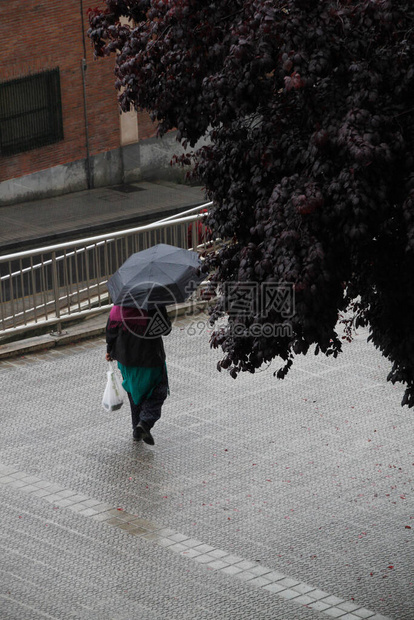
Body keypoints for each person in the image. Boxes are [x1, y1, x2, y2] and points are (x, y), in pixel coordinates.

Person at [105, 304, 171, 445]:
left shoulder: (119, 306)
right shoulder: (153, 304)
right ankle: (145, 422)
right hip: (150, 358)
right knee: (158, 390)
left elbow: (110, 330)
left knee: (133, 391)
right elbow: (165, 329)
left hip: (125, 359)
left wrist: (109, 350)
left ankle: (137, 429)